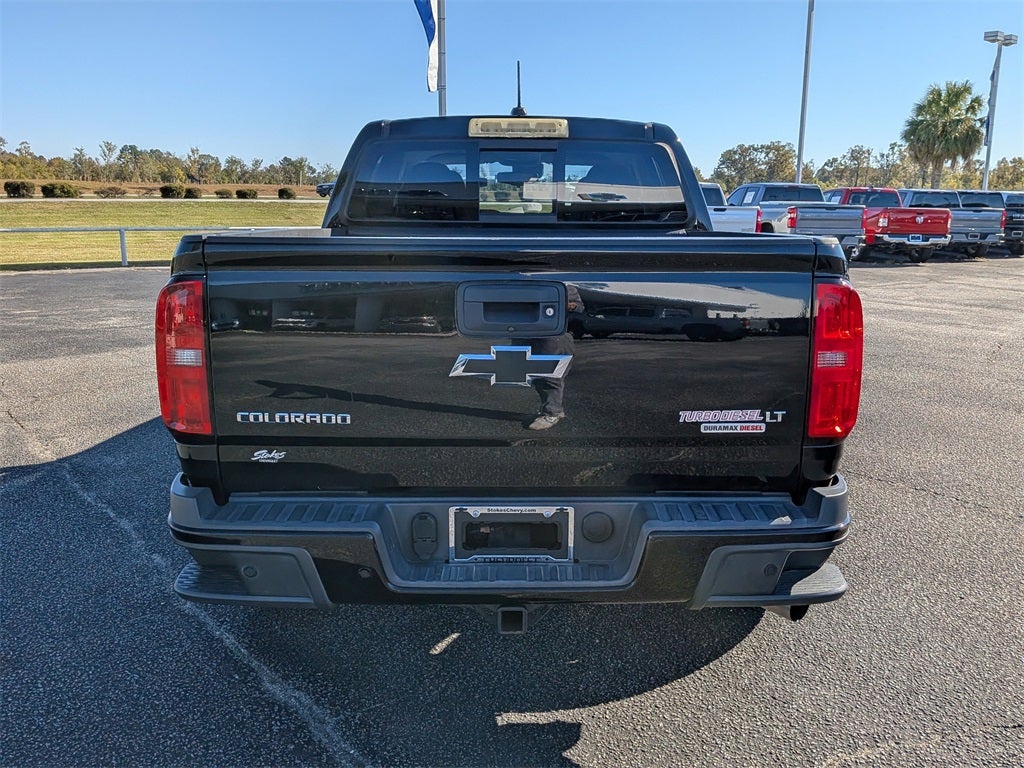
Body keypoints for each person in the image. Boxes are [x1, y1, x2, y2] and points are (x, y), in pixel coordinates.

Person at [527, 284, 582, 430]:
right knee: (537, 376)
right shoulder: (531, 286)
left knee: (551, 376)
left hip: (556, 337)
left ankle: (552, 412)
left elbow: (579, 308)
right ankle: (552, 408)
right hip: (534, 335)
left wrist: (569, 305)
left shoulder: (564, 287)